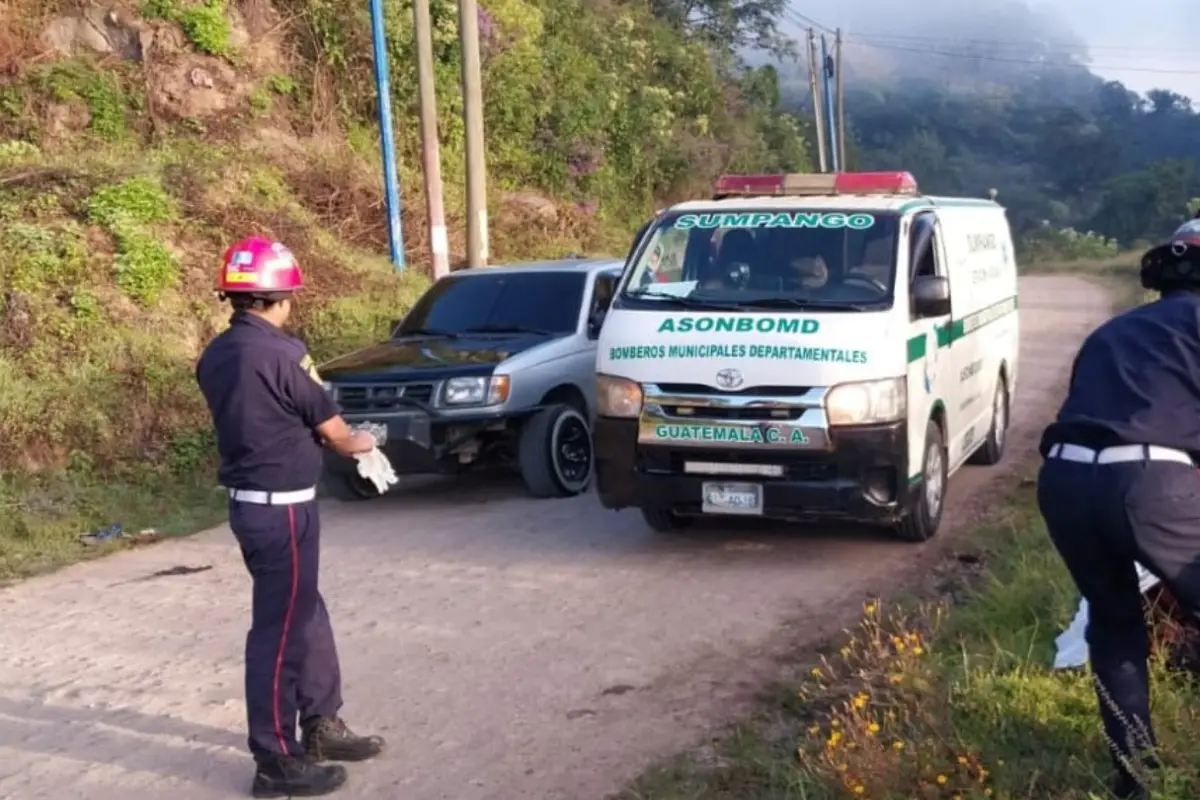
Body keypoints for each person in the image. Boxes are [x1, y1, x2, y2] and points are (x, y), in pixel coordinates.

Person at [195, 237, 385, 798]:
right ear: (281, 297)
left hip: (255, 509)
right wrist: (365, 442)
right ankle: (275, 758)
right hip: (281, 513)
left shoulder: (218, 353)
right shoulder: (281, 353)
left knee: (307, 611)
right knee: (278, 633)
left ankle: (321, 720)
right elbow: (334, 431)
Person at [1035, 219, 1200, 800]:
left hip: (1064, 481)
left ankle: (1135, 782)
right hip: (1149, 483)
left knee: (1115, 627)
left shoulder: (1116, 330)